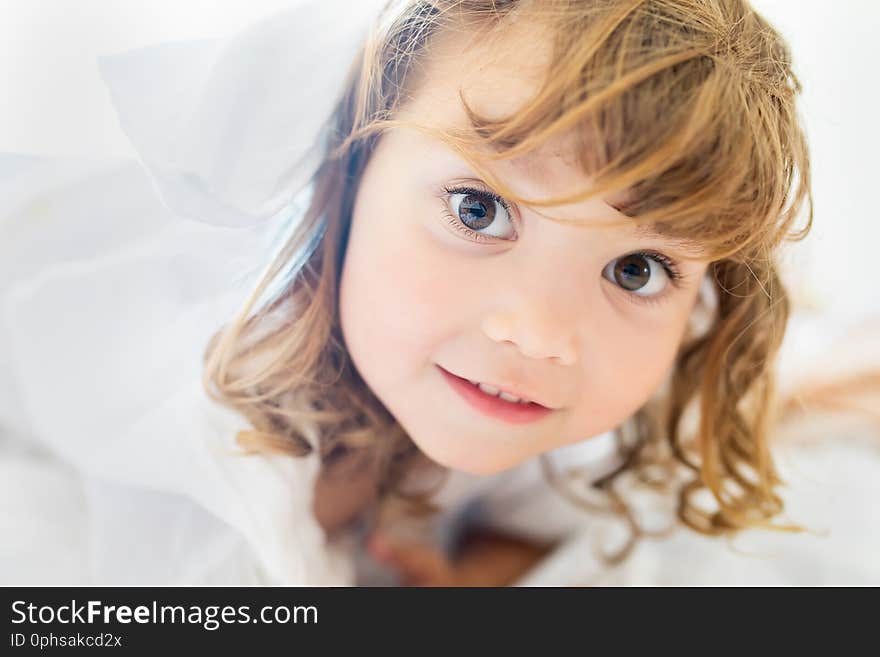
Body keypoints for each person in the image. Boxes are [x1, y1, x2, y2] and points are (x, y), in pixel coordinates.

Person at [6, 0, 869, 586]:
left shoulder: (526, 393)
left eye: (635, 270)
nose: (540, 334)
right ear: (347, 170)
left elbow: (553, 505)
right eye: (477, 208)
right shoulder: (215, 435)